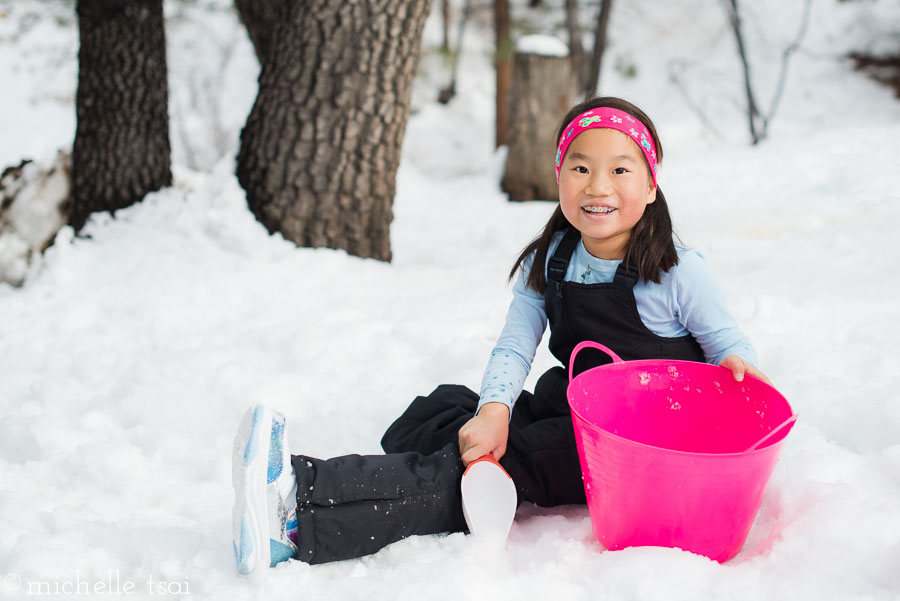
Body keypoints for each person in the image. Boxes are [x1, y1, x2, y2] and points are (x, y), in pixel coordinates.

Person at [231, 96, 771, 573]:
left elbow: (730, 347)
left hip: (630, 447)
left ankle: (299, 508)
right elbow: (516, 346)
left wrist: (738, 371)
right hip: (569, 405)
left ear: (651, 185)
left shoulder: (677, 271)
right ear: (559, 177)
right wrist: (494, 410)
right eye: (580, 168)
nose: (598, 186)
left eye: (620, 170)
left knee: (480, 471)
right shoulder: (551, 261)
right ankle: (453, 477)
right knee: (439, 412)